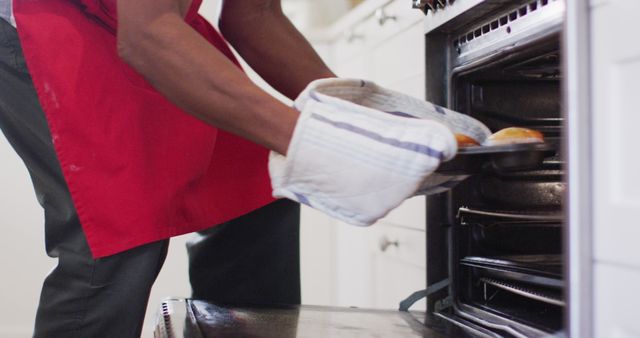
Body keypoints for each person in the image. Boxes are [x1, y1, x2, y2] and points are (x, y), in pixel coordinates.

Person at [1, 0, 486, 337]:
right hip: (38, 20)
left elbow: (254, 15)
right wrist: (326, 143)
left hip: (137, 18)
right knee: (116, 229)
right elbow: (146, 36)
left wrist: (368, 117)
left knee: (252, 192)